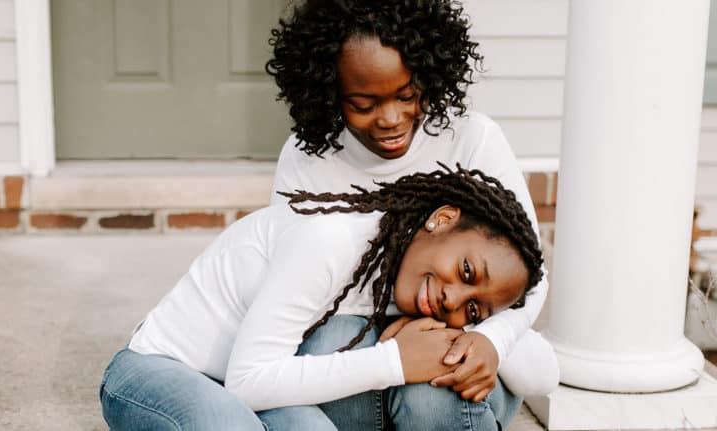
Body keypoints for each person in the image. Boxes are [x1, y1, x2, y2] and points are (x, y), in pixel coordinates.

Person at [266, 0, 558, 428]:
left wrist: (487, 338)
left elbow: (526, 274)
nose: (390, 119)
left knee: (435, 382)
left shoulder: (472, 140)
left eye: (407, 95)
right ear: (329, 90)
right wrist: (400, 337)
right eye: (364, 104)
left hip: (459, 340)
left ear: (428, 74)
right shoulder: (306, 158)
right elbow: (288, 286)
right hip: (357, 347)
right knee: (328, 344)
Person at [99, 165, 545, 430]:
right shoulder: (330, 243)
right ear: (442, 219)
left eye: (473, 309)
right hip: (161, 370)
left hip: (258, 389)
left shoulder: (411, 280)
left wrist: (490, 342)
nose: (454, 299)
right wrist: (394, 361)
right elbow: (247, 382)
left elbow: (544, 369)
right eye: (467, 271)